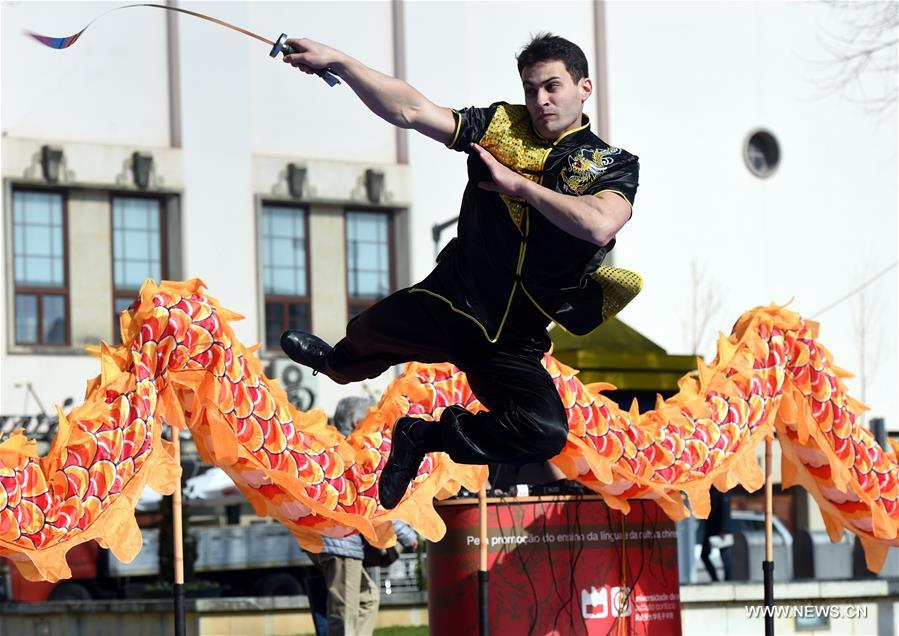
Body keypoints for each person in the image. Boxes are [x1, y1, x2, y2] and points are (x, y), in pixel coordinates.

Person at [280, 34, 640, 510]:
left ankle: (420, 437)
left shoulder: (612, 164)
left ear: (584, 87)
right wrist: (341, 63)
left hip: (513, 337)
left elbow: (599, 224)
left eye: (552, 86)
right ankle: (332, 364)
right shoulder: (501, 125)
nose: (540, 100)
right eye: (531, 89)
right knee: (364, 339)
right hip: (453, 302)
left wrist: (520, 187)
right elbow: (411, 110)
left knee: (545, 432)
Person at [304, 397, 419, 636]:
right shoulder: (353, 453)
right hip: (341, 543)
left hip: (329, 540)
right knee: (344, 610)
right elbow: (375, 501)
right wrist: (406, 534)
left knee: (367, 597)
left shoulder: (332, 447)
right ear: (357, 421)